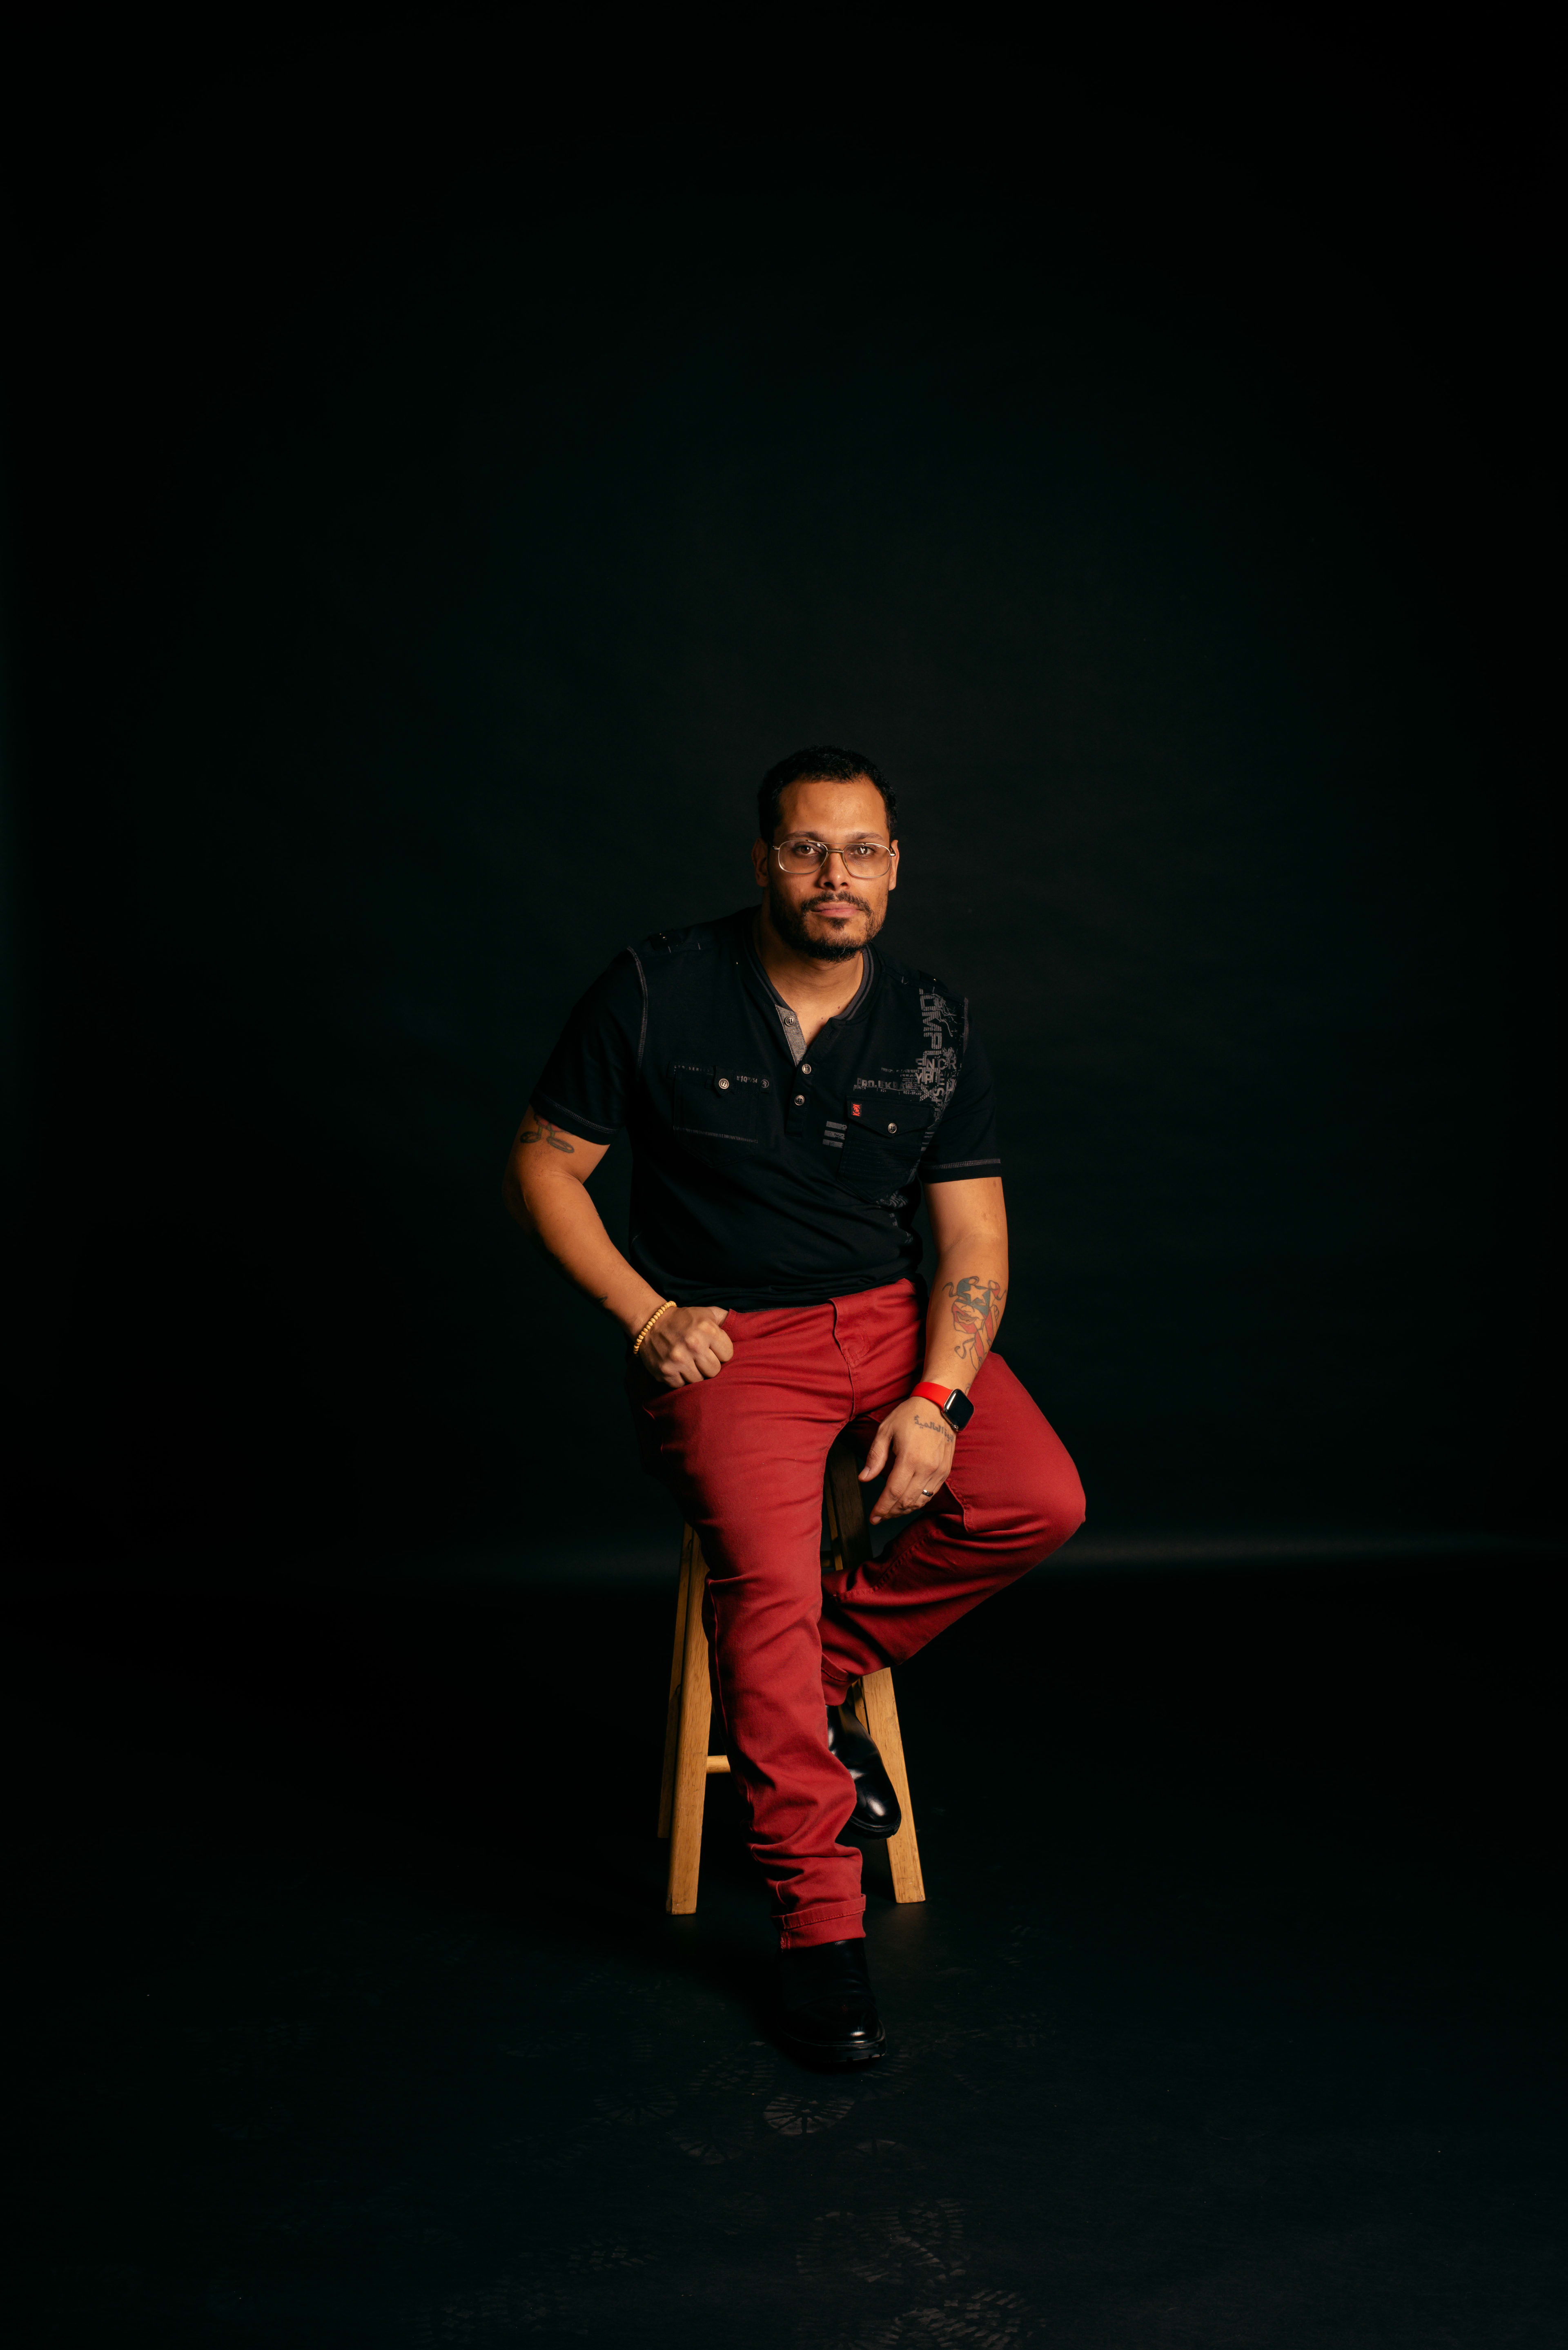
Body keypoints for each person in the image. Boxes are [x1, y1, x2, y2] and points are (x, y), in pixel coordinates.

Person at [503, 746, 1085, 2066]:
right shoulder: (655, 987)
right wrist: (648, 1317)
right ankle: (821, 1931)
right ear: (764, 860)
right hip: (725, 1341)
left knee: (1038, 1497)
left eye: (864, 850)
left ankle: (819, 1675)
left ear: (896, 865)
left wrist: (938, 1398)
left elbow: (975, 1239)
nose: (839, 875)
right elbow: (542, 1166)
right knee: (764, 1590)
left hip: (887, 1326)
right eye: (810, 849)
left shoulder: (935, 1022)